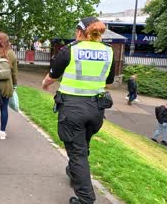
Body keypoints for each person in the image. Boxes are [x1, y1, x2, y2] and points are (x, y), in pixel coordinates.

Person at [41, 17, 115, 204]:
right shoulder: (109, 51)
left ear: (80, 32)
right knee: (82, 146)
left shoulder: (70, 49)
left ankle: (86, 199)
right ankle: (74, 173)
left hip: (73, 109)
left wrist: (45, 84)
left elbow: (53, 75)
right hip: (96, 109)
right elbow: (109, 81)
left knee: (77, 153)